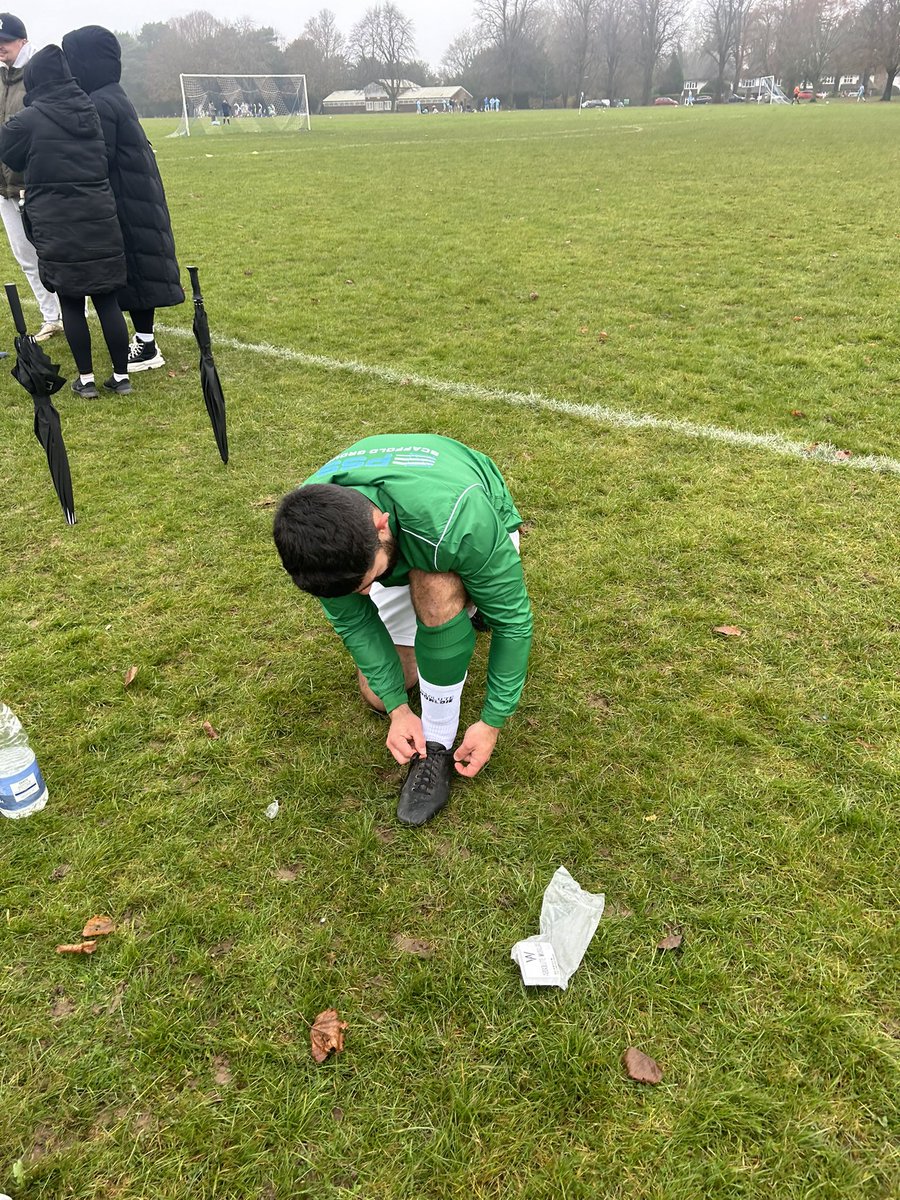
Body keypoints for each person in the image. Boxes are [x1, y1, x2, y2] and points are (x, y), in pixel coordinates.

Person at [273, 434, 533, 827]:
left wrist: (492, 721)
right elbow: (354, 619)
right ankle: (460, 614)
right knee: (377, 695)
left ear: (380, 525)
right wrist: (397, 707)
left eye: (366, 583)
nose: (365, 594)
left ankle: (439, 744)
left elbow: (514, 622)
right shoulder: (313, 538)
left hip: (464, 525)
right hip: (403, 541)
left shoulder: (459, 519)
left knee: (435, 585)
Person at [0, 45, 131, 396]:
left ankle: (86, 380)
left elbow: (8, 154)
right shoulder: (90, 109)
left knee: (71, 302)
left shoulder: (29, 120)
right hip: (100, 216)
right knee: (107, 300)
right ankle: (121, 377)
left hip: (58, 224)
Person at [62, 26, 184, 374]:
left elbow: (100, 157)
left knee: (135, 270)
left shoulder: (100, 101)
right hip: (137, 197)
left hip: (128, 203)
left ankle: (146, 346)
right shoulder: (113, 94)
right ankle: (144, 339)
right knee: (138, 268)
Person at [0, 13, 62, 342]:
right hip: (4, 184)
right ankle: (51, 317)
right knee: (24, 255)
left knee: (53, 251)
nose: (1, 47)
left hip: (37, 182)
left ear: (22, 40)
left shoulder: (39, 72)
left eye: (6, 40)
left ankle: (72, 310)